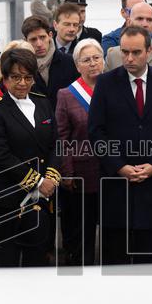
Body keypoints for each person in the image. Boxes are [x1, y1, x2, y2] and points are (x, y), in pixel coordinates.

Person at [89, 25, 152, 265]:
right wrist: (119, 166)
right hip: (115, 183)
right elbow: (96, 132)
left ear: (149, 51)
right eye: (125, 52)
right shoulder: (106, 83)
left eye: (136, 52)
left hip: (151, 183)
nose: (129, 58)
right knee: (114, 252)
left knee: (147, 252)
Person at [0, 47, 60, 267]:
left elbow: (56, 144)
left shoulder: (43, 102)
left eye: (27, 77)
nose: (23, 83)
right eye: (15, 77)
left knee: (38, 257)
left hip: (42, 199)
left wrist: (51, 178)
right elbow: (1, 155)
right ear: (4, 79)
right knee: (7, 261)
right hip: (8, 199)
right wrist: (39, 182)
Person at [54, 38, 105, 266]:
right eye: (86, 60)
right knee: (81, 234)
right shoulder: (66, 94)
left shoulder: (115, 88)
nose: (93, 63)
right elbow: (62, 138)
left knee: (112, 231)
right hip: (81, 175)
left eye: (97, 58)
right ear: (77, 66)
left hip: (113, 171)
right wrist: (66, 172)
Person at [103, 2, 152, 75]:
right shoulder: (113, 55)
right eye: (140, 19)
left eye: (149, 20)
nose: (145, 24)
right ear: (129, 22)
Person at [22, 15, 78, 111]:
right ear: (25, 41)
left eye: (42, 37)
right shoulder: (22, 66)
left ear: (50, 35)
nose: (39, 44)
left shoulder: (70, 62)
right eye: (33, 39)